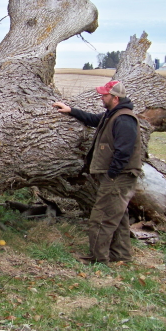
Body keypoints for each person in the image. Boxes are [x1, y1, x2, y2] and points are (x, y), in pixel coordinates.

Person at [52, 80, 142, 264]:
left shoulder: (124, 119)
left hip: (118, 178)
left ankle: (97, 258)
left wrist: (111, 175)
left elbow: (124, 151)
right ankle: (121, 255)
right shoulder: (113, 115)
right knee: (118, 218)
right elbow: (94, 120)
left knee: (101, 218)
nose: (101, 97)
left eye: (105, 95)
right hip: (118, 177)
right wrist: (71, 110)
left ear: (115, 98)